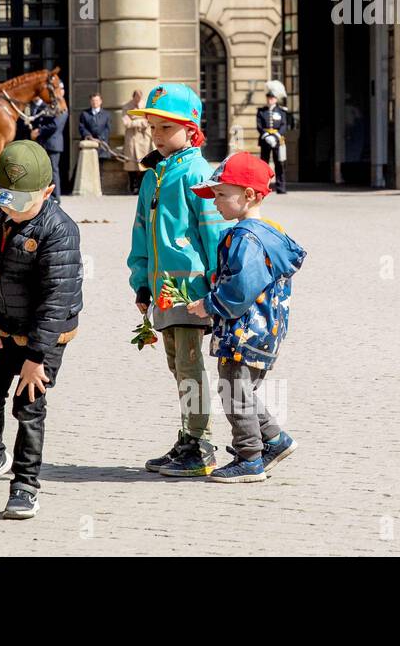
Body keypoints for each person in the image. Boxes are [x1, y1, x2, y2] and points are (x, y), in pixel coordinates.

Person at [0, 140, 82, 518]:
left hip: (46, 333)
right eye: (5, 199)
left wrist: (35, 357)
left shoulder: (59, 232)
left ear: (47, 192)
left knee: (29, 404)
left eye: (21, 202)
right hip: (2, 326)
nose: (11, 208)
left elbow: (55, 301)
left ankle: (26, 484)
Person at [126, 83, 231, 478]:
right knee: (176, 363)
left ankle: (200, 445)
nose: (155, 133)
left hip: (192, 289)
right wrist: (141, 282)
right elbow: (141, 232)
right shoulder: (153, 174)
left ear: (191, 130)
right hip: (163, 290)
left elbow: (214, 233)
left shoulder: (197, 173)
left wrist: (220, 286)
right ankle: (189, 437)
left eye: (164, 127)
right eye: (153, 126)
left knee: (188, 365)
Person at [186, 152, 305, 483]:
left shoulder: (245, 237)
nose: (216, 203)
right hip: (266, 331)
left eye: (222, 195)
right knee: (243, 390)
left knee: (233, 389)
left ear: (250, 195)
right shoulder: (267, 233)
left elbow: (240, 288)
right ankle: (276, 440)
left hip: (246, 331)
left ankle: (249, 456)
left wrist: (210, 304)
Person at [30, 97, 67, 201]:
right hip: (47, 144)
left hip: (53, 144)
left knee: (53, 171)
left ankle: (55, 197)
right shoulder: (54, 111)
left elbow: (54, 125)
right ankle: (48, 195)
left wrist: (39, 131)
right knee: (46, 170)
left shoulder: (62, 112)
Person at [256, 81, 290, 194]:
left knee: (279, 164)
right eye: (268, 97)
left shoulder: (281, 112)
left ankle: (281, 187)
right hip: (265, 140)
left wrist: (275, 136)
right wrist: (266, 136)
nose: (270, 99)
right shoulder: (261, 111)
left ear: (276, 99)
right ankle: (263, 186)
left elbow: (284, 125)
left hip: (277, 140)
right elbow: (259, 125)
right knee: (264, 164)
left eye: (272, 98)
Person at [121, 89, 152, 194]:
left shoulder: (146, 106)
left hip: (144, 138)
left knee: (144, 163)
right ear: (133, 97)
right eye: (136, 97)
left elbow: (149, 121)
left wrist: (135, 120)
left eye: (140, 97)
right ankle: (133, 186)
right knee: (131, 163)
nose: (138, 100)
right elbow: (127, 123)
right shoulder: (127, 107)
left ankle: (142, 186)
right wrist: (140, 122)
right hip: (132, 138)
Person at [77, 93, 113, 158]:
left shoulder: (106, 114)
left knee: (102, 167)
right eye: (93, 101)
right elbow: (82, 127)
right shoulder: (84, 114)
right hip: (88, 146)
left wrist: (100, 138)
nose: (95, 102)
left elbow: (108, 128)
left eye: (96, 101)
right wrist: (89, 136)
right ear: (90, 102)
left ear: (100, 101)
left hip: (102, 146)